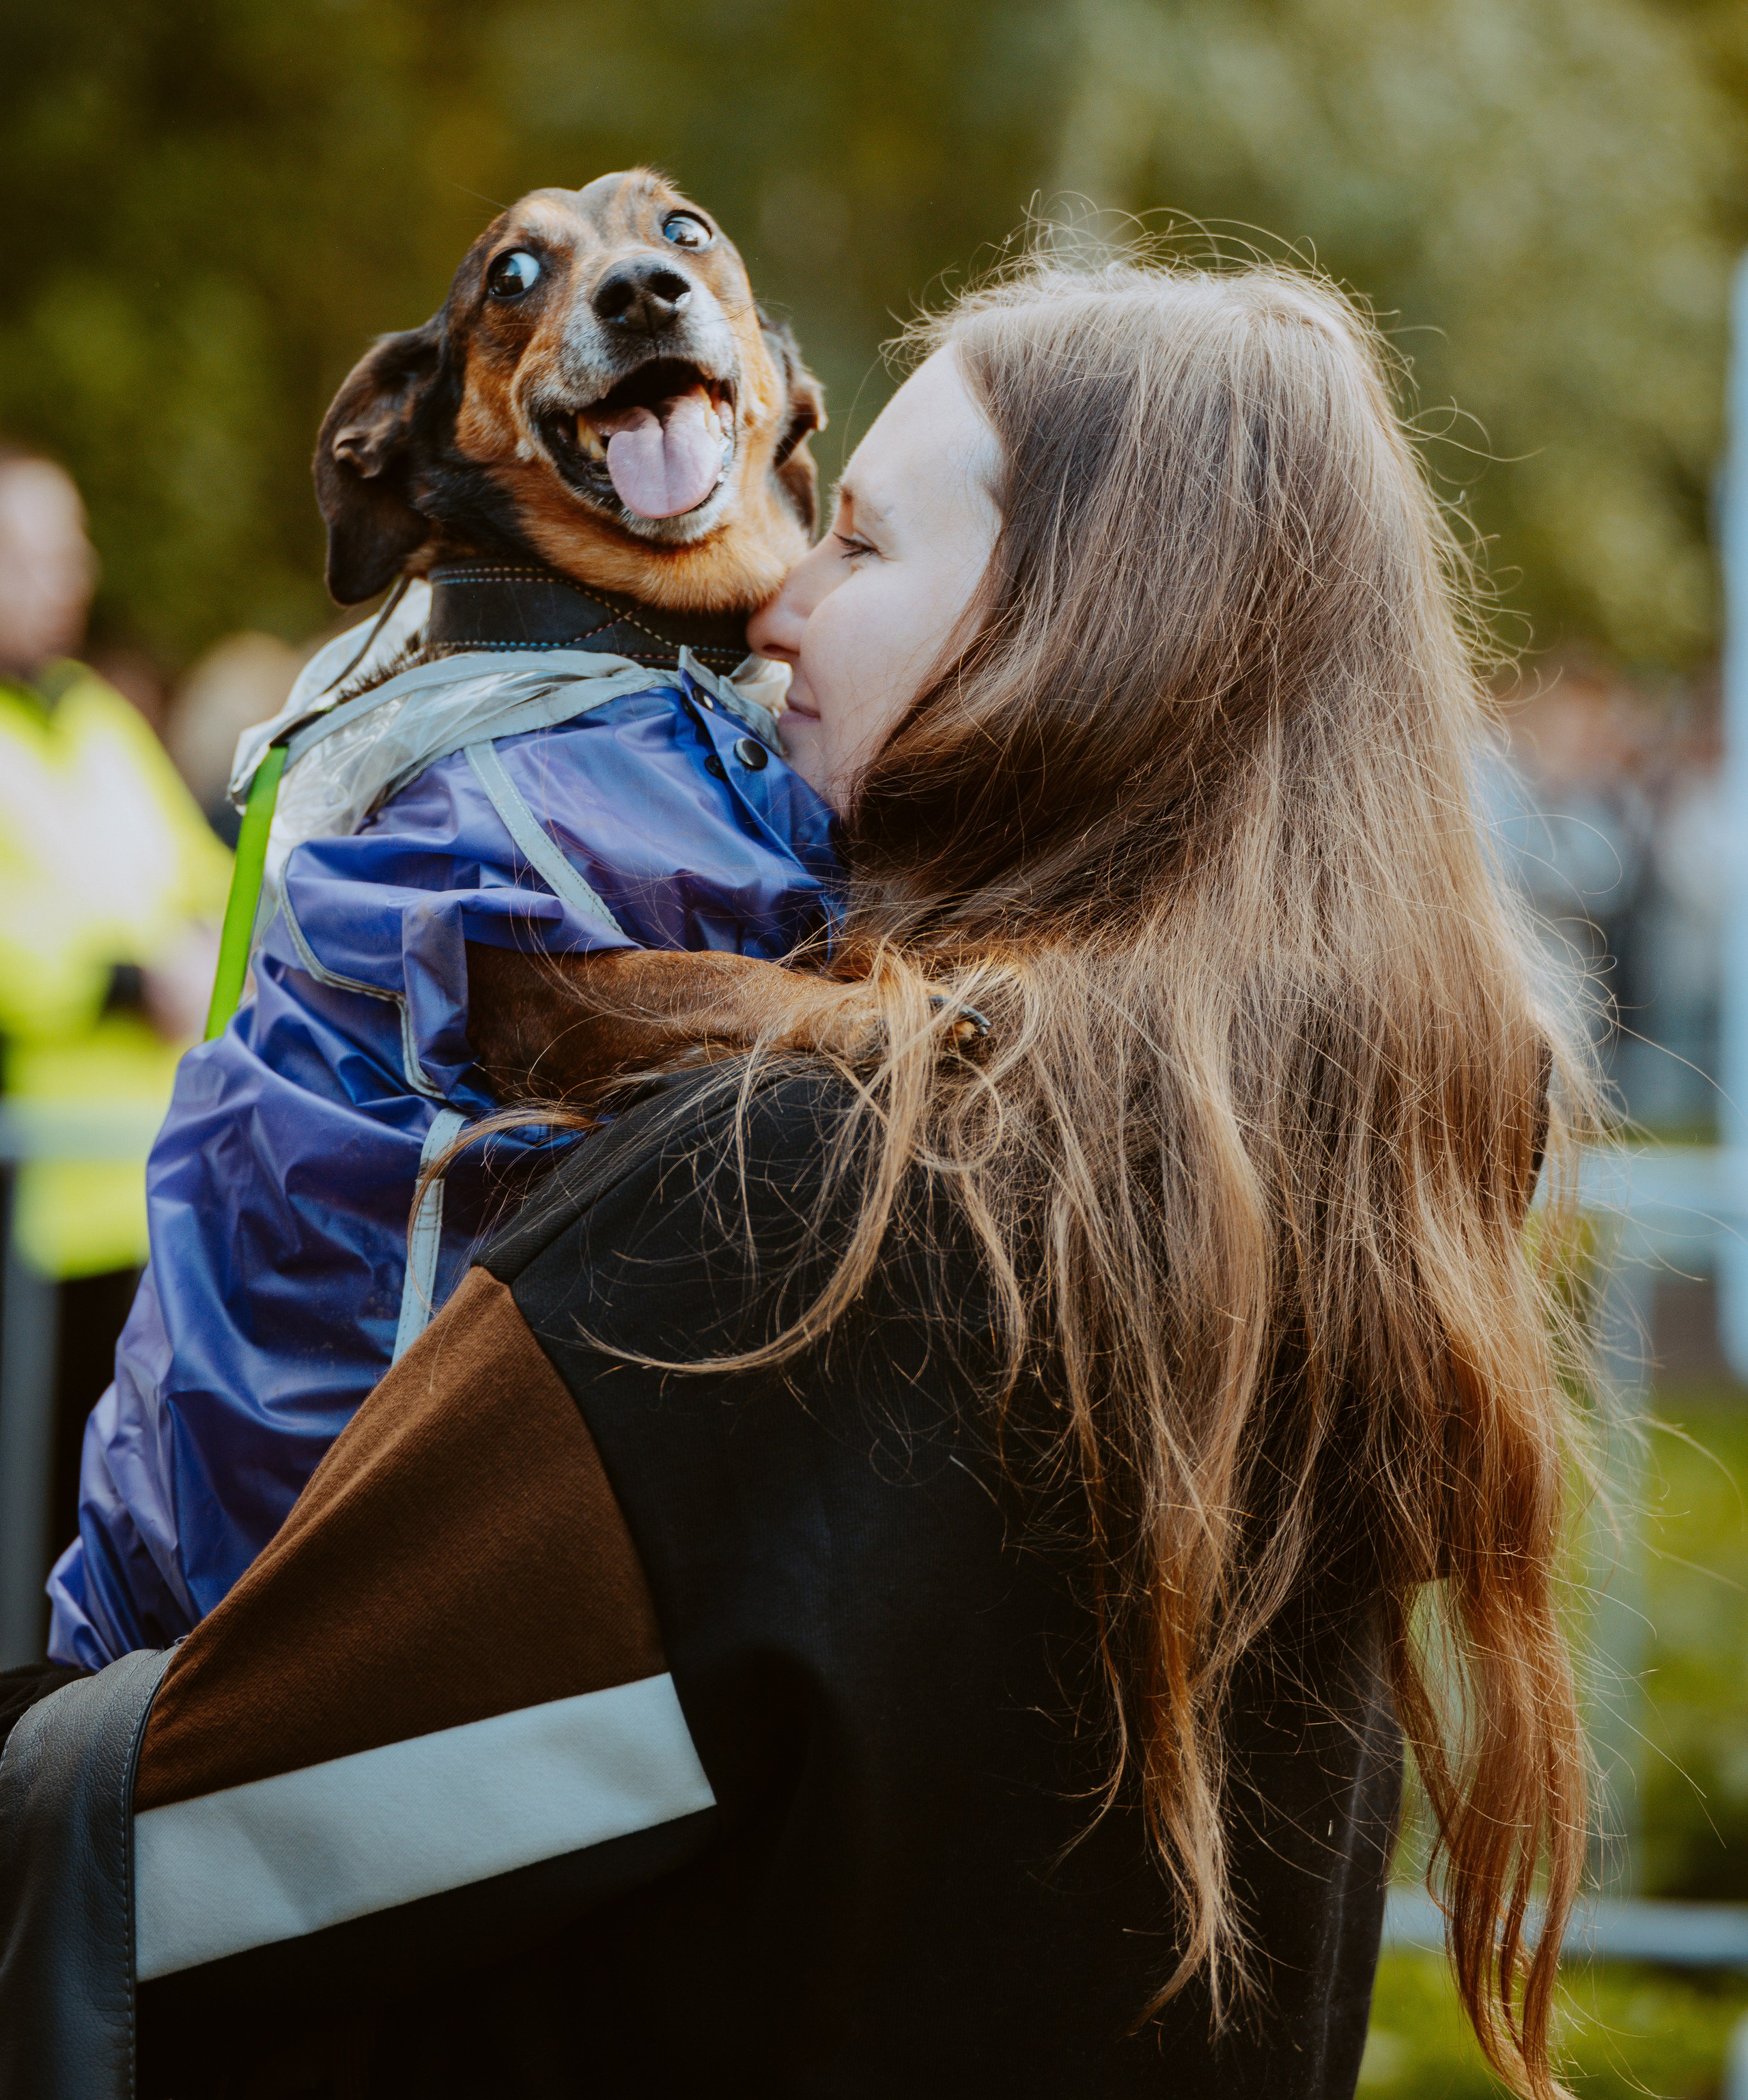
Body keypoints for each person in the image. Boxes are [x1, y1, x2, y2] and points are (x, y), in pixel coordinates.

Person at [0, 255, 1594, 2100]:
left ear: (1082, 625)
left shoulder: (794, 1199)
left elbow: (220, 1849)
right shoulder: (1340, 1202)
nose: (771, 603)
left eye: (850, 541)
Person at [0, 451, 230, 1664]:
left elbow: (195, 882)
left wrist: (194, 947)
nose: (65, 577)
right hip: (29, 1216)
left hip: (132, 1214)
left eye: (67, 549)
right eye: (30, 554)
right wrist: (129, 978)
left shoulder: (91, 714)